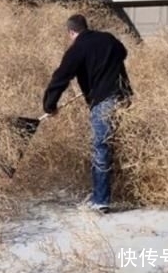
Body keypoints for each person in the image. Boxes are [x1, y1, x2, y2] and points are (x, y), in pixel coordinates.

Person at [42, 14, 133, 214]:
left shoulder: (78, 48)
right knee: (114, 145)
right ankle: (111, 193)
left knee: (101, 147)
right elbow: (123, 53)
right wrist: (102, 69)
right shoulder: (109, 39)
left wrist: (50, 105)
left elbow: (61, 76)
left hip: (104, 101)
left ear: (71, 32)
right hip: (124, 98)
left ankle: (100, 200)